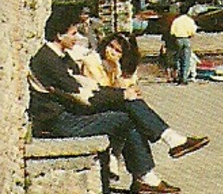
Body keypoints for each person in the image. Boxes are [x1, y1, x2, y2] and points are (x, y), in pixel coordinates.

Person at [29, 10, 180, 194]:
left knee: (128, 110)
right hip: (58, 122)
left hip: (69, 115)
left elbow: (89, 86)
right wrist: (122, 95)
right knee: (125, 117)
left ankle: (156, 161)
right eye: (74, 34)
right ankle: (156, 161)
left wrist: (122, 94)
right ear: (59, 35)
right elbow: (82, 94)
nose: (77, 39)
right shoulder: (48, 61)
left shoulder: (62, 57)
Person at [82, 33, 209, 168]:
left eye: (117, 51)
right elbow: (100, 92)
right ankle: (170, 141)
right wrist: (117, 72)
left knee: (133, 121)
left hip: (113, 105)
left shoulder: (124, 67)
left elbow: (130, 88)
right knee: (131, 107)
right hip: (93, 106)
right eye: (110, 46)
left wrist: (120, 73)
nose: (111, 51)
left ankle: (145, 175)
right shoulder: (92, 61)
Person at [168, 5, 197, 84]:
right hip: (186, 39)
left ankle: (177, 76)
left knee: (177, 58)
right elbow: (193, 32)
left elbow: (172, 32)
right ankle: (184, 78)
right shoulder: (190, 20)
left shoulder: (176, 21)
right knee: (186, 60)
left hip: (178, 39)